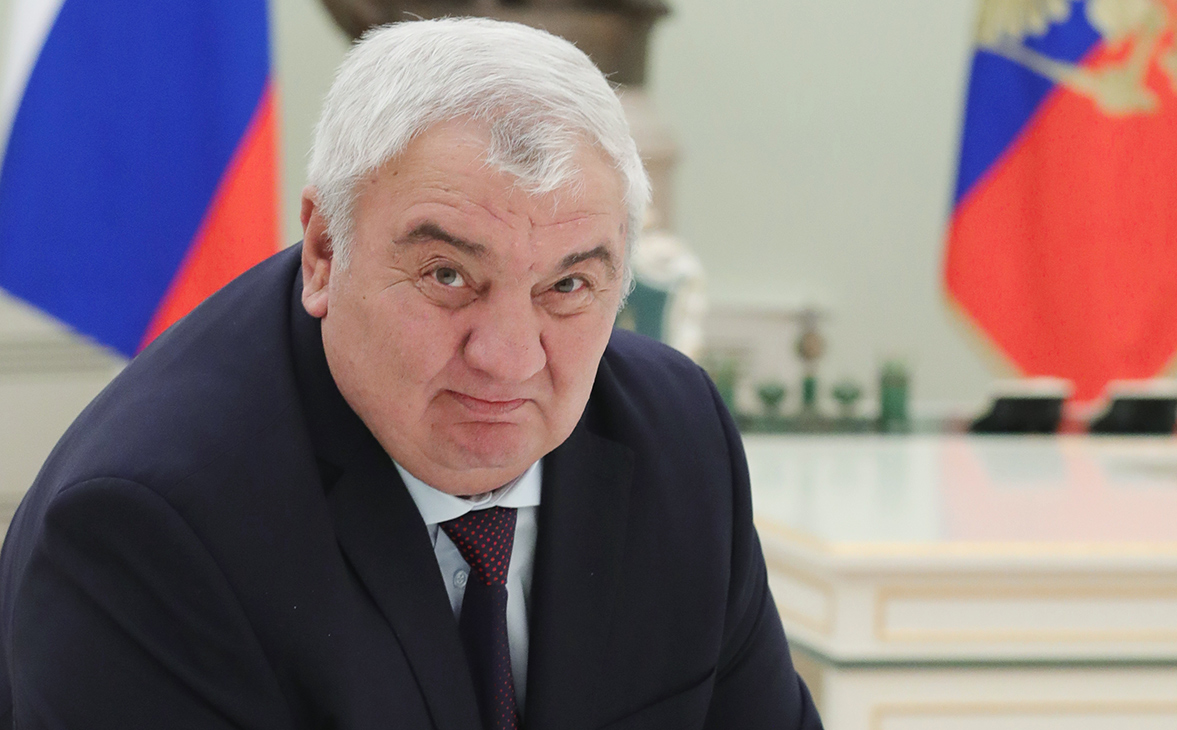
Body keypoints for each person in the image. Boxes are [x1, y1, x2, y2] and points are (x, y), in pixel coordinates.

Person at [0, 18, 821, 730]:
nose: (509, 357)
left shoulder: (680, 437)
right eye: (448, 276)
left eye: (567, 285)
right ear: (325, 252)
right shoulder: (148, 528)